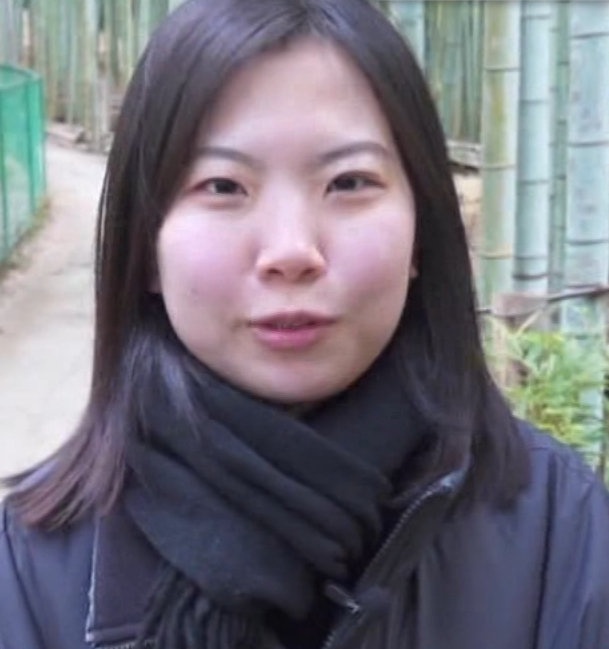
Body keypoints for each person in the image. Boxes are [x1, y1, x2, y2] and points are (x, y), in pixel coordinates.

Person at [1, 0, 609, 647]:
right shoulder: (28, 567)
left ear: (422, 230)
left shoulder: (558, 529)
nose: (291, 250)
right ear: (145, 246)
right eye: (223, 186)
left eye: (348, 182)